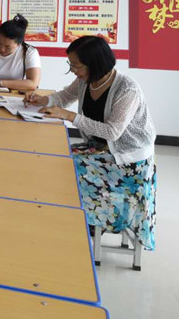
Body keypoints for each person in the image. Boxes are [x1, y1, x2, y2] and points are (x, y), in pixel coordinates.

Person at [25, 35, 156, 249]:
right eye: (71, 64)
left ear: (94, 63)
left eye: (76, 66)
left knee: (67, 168)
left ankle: (90, 221)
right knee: (54, 158)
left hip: (127, 160)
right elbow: (65, 96)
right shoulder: (86, 79)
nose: (73, 70)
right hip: (100, 149)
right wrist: (42, 99)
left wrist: (70, 116)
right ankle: (80, 217)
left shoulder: (127, 89)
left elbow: (112, 132)